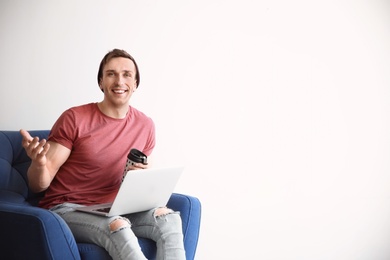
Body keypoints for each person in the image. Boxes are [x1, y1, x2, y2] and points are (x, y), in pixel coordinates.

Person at [20, 49, 185, 260]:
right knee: (118, 226)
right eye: (111, 74)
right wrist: (39, 164)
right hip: (69, 208)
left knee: (168, 219)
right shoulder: (75, 118)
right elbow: (38, 185)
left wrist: (141, 177)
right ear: (101, 82)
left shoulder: (145, 125)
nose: (119, 81)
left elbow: (145, 182)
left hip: (117, 208)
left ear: (135, 84)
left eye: (126, 74)